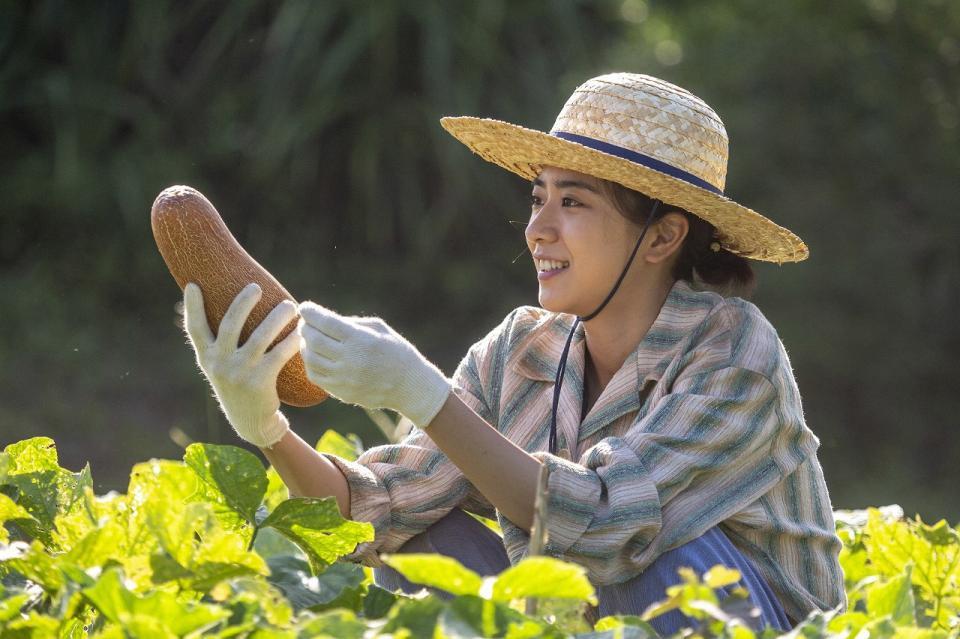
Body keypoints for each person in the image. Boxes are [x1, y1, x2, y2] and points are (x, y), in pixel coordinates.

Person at [182, 73, 845, 633]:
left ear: (662, 235)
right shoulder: (520, 349)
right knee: (414, 540)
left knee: (672, 551)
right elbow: (371, 509)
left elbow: (611, 519)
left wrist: (424, 394)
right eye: (538, 198)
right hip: (594, 617)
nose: (537, 229)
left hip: (747, 621)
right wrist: (265, 424)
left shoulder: (734, 351)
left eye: (574, 203)